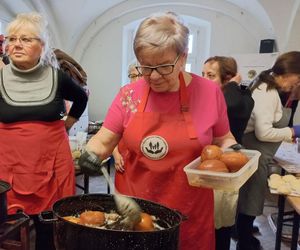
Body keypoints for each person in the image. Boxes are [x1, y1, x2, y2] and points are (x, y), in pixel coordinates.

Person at [79, 12, 237, 250]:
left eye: (163, 67)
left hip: (189, 210)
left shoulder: (209, 93)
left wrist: (234, 153)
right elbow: (104, 140)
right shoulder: (129, 94)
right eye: (145, 66)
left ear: (183, 57)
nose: (152, 76)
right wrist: (91, 153)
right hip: (135, 209)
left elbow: (223, 138)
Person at [0, 12, 88, 250]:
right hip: (9, 169)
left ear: (42, 45)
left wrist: (67, 122)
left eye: (26, 39)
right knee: (6, 229)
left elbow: (81, 98)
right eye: (12, 38)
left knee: (48, 228)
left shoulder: (57, 78)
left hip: (51, 166)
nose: (16, 44)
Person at [236, 51, 300, 250]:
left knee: (249, 195)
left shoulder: (268, 81)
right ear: (289, 73)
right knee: (250, 196)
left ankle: (242, 229)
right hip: (255, 147)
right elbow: (264, 133)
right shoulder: (267, 92)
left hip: (259, 151)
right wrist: (292, 131)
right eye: (298, 79)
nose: (297, 84)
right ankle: (244, 241)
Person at [202, 56, 254, 250]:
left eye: (211, 75)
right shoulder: (209, 96)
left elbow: (230, 105)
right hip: (207, 167)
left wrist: (232, 85)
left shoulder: (239, 98)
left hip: (227, 167)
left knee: (221, 224)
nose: (204, 79)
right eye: (203, 74)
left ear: (228, 78)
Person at [112, 62, 142, 171]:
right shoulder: (124, 95)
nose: (138, 80)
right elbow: (112, 131)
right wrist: (115, 154)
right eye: (134, 76)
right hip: (124, 157)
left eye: (141, 75)